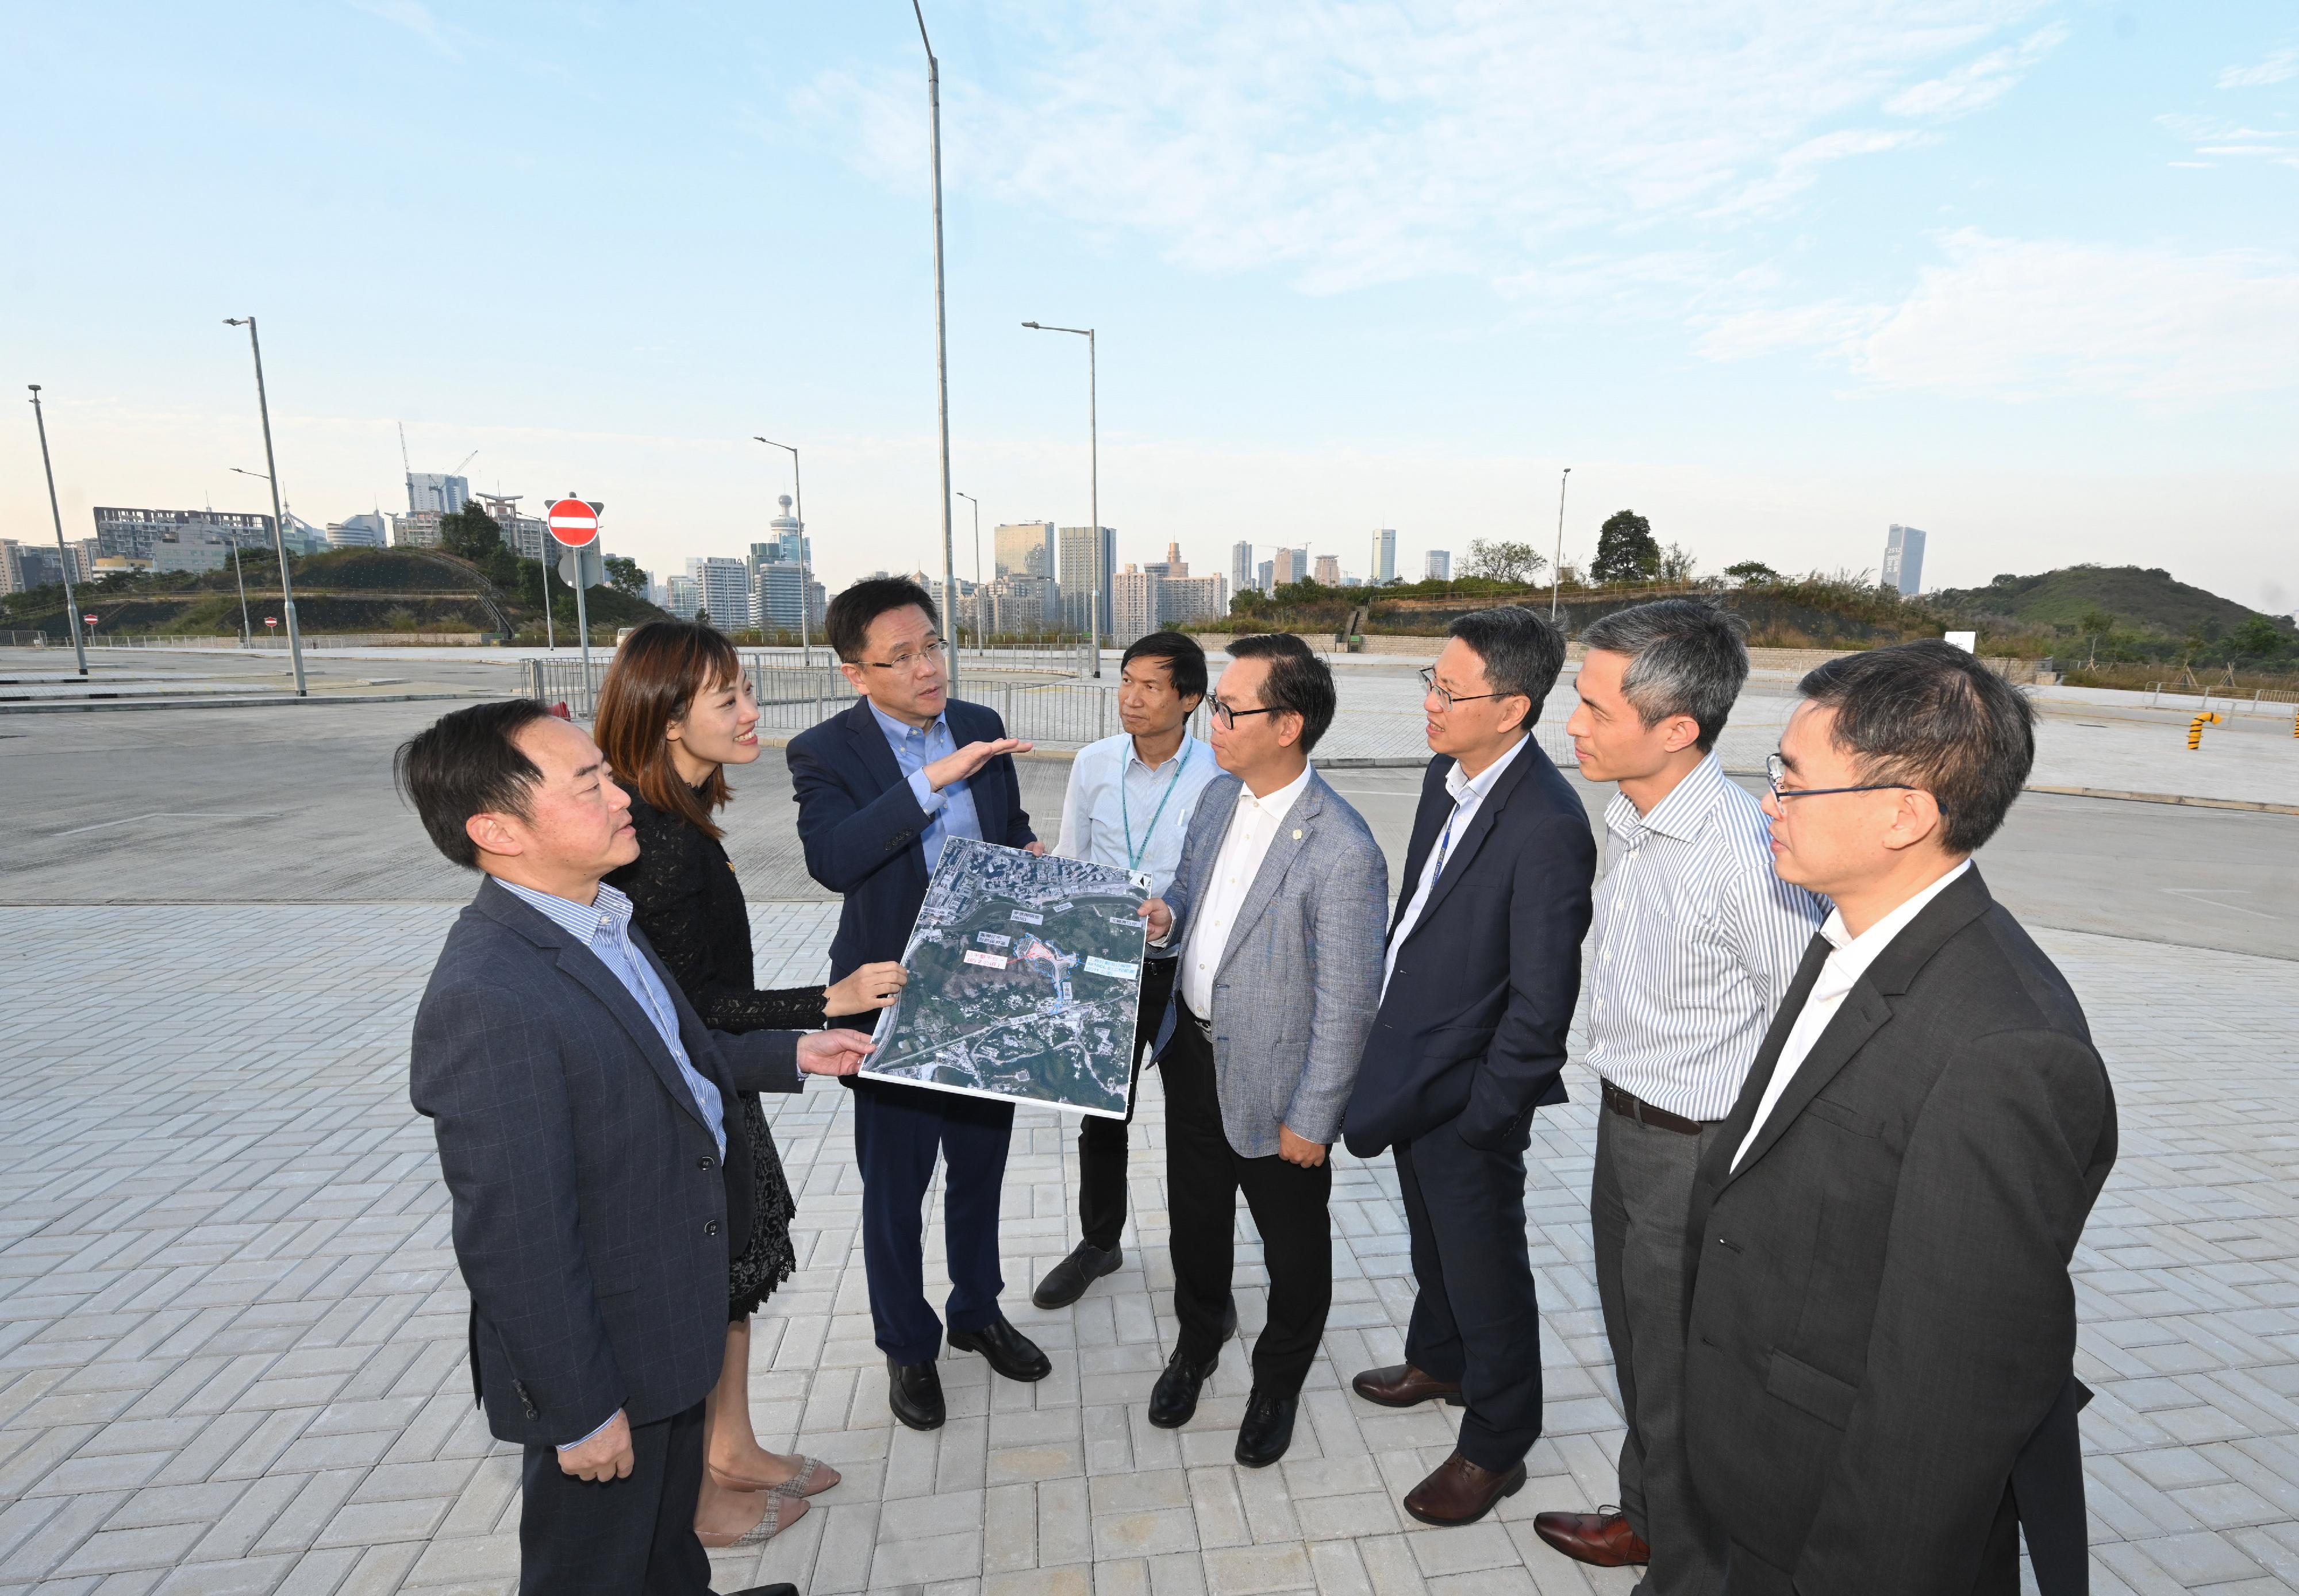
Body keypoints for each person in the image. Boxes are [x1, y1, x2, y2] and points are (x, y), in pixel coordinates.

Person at [401, 699, 872, 1596]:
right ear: (496, 829)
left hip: (668, 1313)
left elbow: (670, 1058)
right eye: (589, 782)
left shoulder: (600, 917)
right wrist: (579, 1412)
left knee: (661, 1537)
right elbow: (516, 1238)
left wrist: (792, 1051)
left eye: (607, 773)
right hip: (603, 1354)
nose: (620, 795)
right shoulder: (490, 996)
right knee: (595, 1568)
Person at [1681, 641, 2117, 1595]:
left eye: (1792, 783)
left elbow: (1949, 1395)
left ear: (1904, 815)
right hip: (1757, 1474)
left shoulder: (2006, 1049)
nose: (1769, 805)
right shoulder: (1850, 934)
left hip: (1837, 1529)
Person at [1529, 600, 1824, 1583]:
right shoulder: (1640, 818)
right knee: (1644, 1350)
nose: (1572, 721)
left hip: (1699, 1149)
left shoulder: (1745, 855)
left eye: (1593, 705)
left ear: (1677, 728)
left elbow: (1805, 1027)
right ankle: (1648, 1515)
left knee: (1689, 1374)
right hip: (1629, 1126)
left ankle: (1690, 1569)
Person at [595, 620, 907, 1548]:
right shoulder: (653, 842)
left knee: (733, 1281)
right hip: (686, 1098)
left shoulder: (681, 817)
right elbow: (691, 1007)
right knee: (702, 1292)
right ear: (663, 721)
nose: (750, 712)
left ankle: (733, 1444)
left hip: (720, 1088)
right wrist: (829, 1000)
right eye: (726, 698)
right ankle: (692, 1498)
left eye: (745, 691)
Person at [1340, 607, 1595, 1526]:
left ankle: (1497, 1442)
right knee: (1431, 1242)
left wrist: (1491, 1112)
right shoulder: (1449, 778)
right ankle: (1439, 1360)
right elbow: (1421, 913)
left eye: (1452, 691)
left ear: (1513, 706)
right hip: (1416, 1069)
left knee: (1488, 1268)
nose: (1432, 704)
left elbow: (1542, 1001)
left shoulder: (1548, 823)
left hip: (1472, 1094)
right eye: (1431, 684)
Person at [786, 578, 1052, 1432]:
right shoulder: (824, 751)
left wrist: (1030, 852)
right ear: (854, 673)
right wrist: (934, 778)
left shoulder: (978, 725)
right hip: (888, 995)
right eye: (899, 657)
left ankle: (977, 1311)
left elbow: (1004, 829)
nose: (926, 667)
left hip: (985, 989)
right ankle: (909, 1344)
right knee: (895, 1189)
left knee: (980, 1169)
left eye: (932, 645)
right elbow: (834, 857)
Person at [1137, 633, 1387, 1468]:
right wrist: (1165, 917)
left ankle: (1277, 1378)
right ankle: (1199, 1342)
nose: (1214, 720)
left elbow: (1349, 1005)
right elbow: (1186, 890)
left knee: (1293, 1245)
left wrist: (1313, 1119)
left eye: (1230, 709)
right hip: (1194, 1057)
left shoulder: (1343, 850)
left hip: (1282, 1088)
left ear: (1288, 725)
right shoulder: (1217, 798)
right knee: (1196, 1221)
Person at [1033, 630, 1223, 1311]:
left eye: (1150, 686)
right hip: (1102, 967)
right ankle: (1099, 1240)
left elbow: (1223, 876)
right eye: (1126, 681)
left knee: (1197, 1126)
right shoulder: (1093, 762)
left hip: (1183, 972)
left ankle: (1202, 1273)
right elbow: (1072, 853)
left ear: (1190, 698)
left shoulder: (1217, 773)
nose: (1131, 698)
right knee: (1100, 1113)